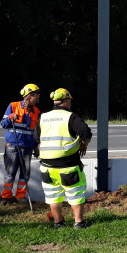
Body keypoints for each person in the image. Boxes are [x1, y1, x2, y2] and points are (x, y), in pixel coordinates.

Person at [36, 88, 92, 229]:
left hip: (47, 167)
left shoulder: (43, 117)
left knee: (53, 196)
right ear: (66, 102)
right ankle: (78, 222)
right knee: (75, 194)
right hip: (68, 165)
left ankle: (58, 223)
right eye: (70, 101)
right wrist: (83, 145)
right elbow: (86, 133)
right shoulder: (71, 117)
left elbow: (36, 139)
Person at [0, 83, 41, 204]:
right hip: (13, 145)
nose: (37, 98)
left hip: (27, 148)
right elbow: (3, 124)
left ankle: (20, 196)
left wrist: (36, 146)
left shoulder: (36, 111)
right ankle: (6, 197)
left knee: (25, 174)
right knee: (10, 173)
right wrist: (10, 117)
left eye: (38, 96)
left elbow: (35, 132)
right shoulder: (13, 106)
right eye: (35, 96)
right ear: (28, 96)